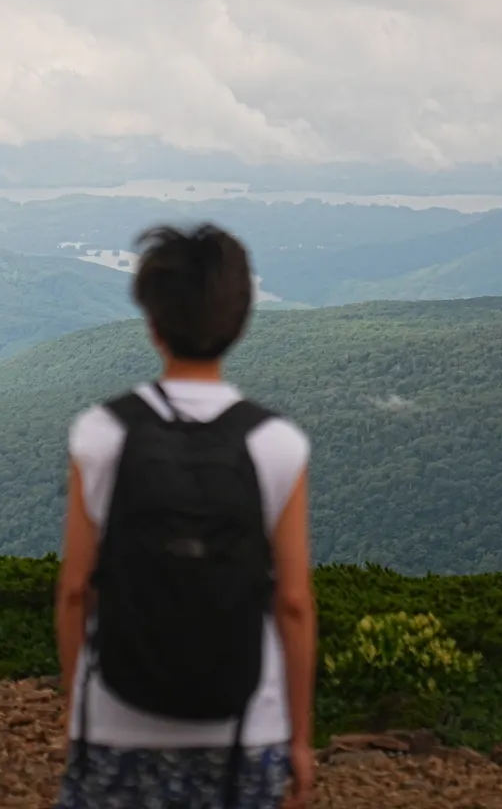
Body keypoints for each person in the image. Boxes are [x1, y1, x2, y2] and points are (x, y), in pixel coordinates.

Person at [54, 223, 315, 809]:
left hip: (116, 720)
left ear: (152, 324)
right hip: (247, 726)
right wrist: (299, 740)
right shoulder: (276, 443)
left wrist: (80, 715)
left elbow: (74, 591)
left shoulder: (102, 433)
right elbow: (294, 602)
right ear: (241, 320)